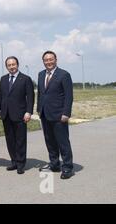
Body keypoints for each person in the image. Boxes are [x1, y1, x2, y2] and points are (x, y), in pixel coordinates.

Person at [37, 51, 74, 179]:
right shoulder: (41, 74)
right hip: (44, 114)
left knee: (62, 142)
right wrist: (38, 109)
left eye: (51, 59)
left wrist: (66, 113)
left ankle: (67, 167)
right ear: (43, 62)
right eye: (46, 60)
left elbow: (69, 96)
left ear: (56, 59)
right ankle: (54, 164)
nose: (48, 62)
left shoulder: (64, 75)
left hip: (59, 115)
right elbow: (41, 94)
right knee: (50, 141)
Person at [0, 56, 34, 174]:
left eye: (13, 64)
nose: (11, 67)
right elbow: (1, 97)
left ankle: (20, 164)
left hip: (20, 115)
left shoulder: (25, 79)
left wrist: (28, 112)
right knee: (10, 140)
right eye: (9, 65)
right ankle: (13, 161)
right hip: (6, 115)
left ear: (17, 65)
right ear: (6, 67)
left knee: (20, 140)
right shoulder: (3, 79)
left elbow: (30, 97)